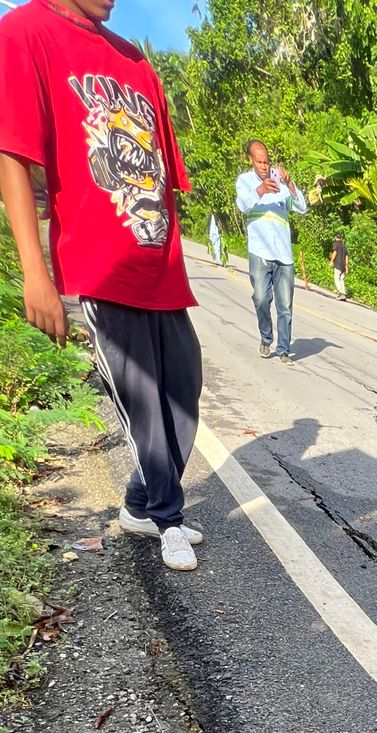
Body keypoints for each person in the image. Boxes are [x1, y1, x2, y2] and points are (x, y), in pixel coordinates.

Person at [0, 0, 204, 572]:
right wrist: (34, 272)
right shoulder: (24, 32)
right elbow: (13, 154)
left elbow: (163, 172)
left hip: (160, 267)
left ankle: (141, 503)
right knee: (142, 404)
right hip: (99, 265)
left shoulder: (133, 58)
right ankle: (168, 519)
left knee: (184, 391)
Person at [235, 140, 307, 365]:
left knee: (285, 306)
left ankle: (284, 350)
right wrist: (261, 189)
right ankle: (266, 338)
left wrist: (290, 183)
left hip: (284, 254)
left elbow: (302, 207)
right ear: (251, 160)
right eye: (259, 162)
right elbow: (243, 205)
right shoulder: (245, 181)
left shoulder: (280, 179)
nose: (265, 166)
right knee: (261, 298)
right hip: (259, 251)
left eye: (266, 161)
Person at [329, 232, 349, 301]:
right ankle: (343, 293)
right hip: (343, 265)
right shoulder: (344, 247)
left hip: (337, 264)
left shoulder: (336, 244)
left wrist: (331, 261)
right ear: (341, 238)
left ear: (335, 237)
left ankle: (340, 293)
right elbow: (346, 257)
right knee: (342, 279)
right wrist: (346, 266)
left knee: (337, 278)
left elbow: (335, 252)